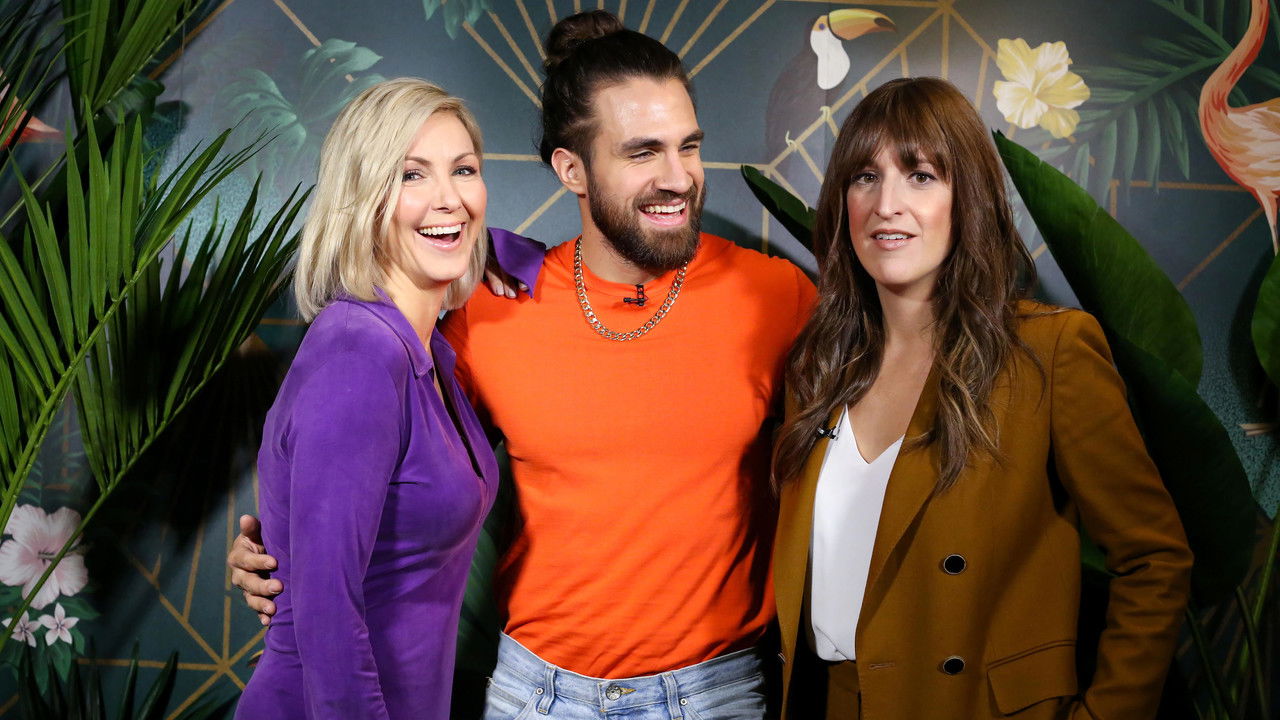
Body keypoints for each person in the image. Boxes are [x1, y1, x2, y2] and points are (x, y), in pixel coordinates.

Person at [229, 11, 816, 720]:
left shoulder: (776, 296)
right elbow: (364, 454)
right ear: (571, 169)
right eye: (642, 153)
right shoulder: (485, 311)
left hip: (713, 695)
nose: (678, 177)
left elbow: (864, 460)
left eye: (688, 146)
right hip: (534, 696)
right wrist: (282, 554)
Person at [770, 76, 1193, 719]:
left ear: (966, 198)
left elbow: (1155, 559)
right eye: (865, 177)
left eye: (920, 176)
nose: (886, 204)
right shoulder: (818, 367)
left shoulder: (1048, 352)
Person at [234, 78, 498, 720]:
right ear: (362, 199)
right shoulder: (359, 356)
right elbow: (326, 617)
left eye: (464, 169)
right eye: (411, 174)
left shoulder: (427, 352)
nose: (449, 198)